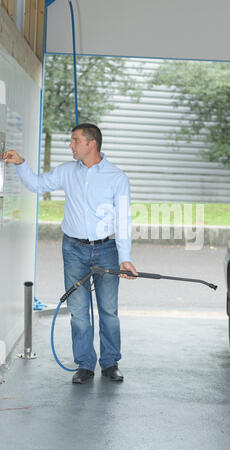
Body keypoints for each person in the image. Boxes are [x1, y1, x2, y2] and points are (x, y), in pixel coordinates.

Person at [3, 123, 137, 384]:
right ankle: (85, 364)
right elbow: (37, 184)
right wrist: (20, 163)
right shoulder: (66, 171)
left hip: (107, 250)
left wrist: (125, 257)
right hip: (73, 249)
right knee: (78, 310)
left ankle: (110, 363)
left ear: (91, 144)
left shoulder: (117, 178)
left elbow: (123, 220)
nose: (70, 145)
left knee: (108, 310)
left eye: (75, 140)